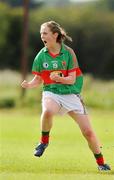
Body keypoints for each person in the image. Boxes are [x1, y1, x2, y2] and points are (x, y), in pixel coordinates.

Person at [21, 20, 111, 171]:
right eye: (41, 33)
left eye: (45, 33)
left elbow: (72, 79)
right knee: (48, 111)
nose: (41, 36)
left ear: (55, 35)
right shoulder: (41, 56)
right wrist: (30, 84)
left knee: (88, 132)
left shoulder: (68, 53)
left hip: (71, 94)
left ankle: (101, 163)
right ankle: (43, 142)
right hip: (52, 92)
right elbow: (39, 79)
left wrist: (60, 79)